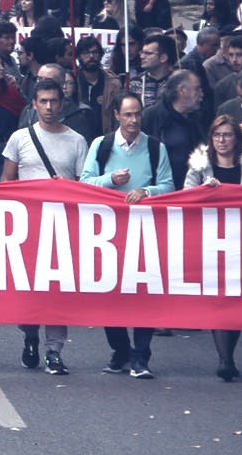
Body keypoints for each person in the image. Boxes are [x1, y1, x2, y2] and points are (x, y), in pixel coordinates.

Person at [79, 93, 174, 378]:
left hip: (144, 230)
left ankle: (141, 356)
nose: (134, 120)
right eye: (128, 115)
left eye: (138, 115)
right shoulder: (102, 145)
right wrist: (110, 181)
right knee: (112, 293)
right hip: (108, 231)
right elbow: (84, 182)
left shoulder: (156, 147)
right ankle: (120, 350)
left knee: (144, 293)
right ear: (117, 115)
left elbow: (169, 185)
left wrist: (147, 192)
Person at [0, 78, 87, 375]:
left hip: (61, 227)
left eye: (54, 101)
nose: (49, 107)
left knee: (56, 293)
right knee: (28, 291)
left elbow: (84, 185)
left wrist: (67, 188)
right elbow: (6, 181)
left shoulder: (76, 140)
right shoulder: (19, 138)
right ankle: (30, 335)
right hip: (25, 229)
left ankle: (55, 350)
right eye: (43, 102)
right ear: (34, 104)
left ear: (62, 104)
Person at [183, 114, 242, 379]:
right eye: (217, 135)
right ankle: (225, 359)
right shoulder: (200, 165)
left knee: (236, 298)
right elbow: (184, 197)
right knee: (218, 299)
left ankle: (229, 353)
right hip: (210, 239)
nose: (222, 140)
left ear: (237, 138)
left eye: (227, 135)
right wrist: (204, 191)